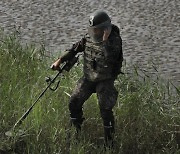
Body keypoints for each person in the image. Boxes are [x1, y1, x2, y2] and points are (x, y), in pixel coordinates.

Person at [51, 10, 123, 146]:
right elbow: (75, 48)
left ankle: (110, 142)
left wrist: (105, 40)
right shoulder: (89, 37)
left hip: (105, 79)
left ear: (105, 29)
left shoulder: (114, 40)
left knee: (105, 109)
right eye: (93, 29)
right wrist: (59, 60)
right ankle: (75, 134)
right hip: (89, 77)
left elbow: (111, 59)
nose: (94, 32)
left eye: (97, 30)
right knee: (74, 102)